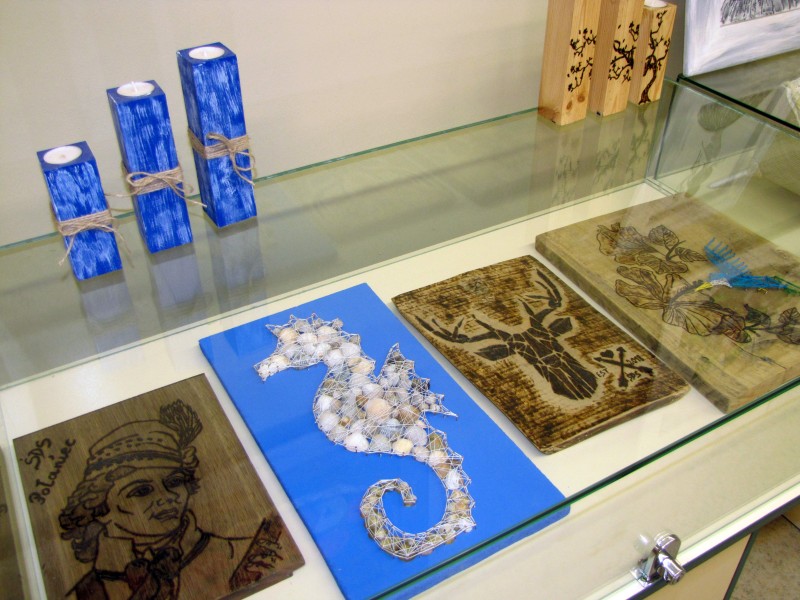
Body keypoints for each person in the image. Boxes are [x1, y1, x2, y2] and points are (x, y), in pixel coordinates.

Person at [59, 400, 280, 599]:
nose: (166, 497)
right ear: (100, 508)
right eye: (141, 491)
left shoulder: (244, 556)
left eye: (174, 482)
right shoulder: (87, 591)